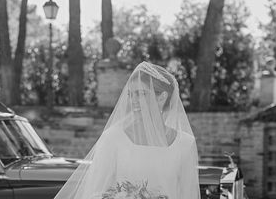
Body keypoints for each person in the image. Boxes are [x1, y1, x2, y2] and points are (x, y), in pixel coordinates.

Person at [54, 61, 200, 199]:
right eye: (131, 94)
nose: (133, 100)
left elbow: (188, 194)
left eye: (141, 94)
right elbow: (95, 192)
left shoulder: (185, 144)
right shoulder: (113, 139)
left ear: (162, 97)